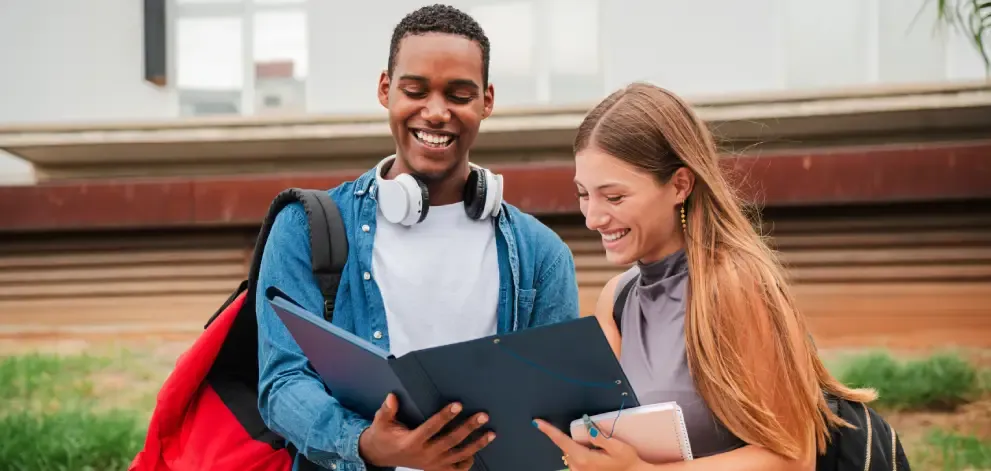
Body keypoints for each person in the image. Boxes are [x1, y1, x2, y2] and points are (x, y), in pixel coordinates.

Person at [254, 5, 580, 471]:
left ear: (486, 101)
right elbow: (282, 382)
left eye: (459, 94)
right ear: (386, 89)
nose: (436, 112)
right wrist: (364, 444)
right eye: (415, 90)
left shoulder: (541, 256)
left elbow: (550, 415)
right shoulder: (305, 227)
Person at [531, 82, 877, 471]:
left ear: (680, 185)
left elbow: (793, 456)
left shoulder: (734, 287)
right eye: (583, 194)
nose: (593, 218)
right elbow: (595, 429)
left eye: (614, 197)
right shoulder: (618, 298)